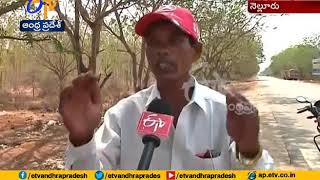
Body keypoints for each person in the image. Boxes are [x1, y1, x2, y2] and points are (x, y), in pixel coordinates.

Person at [59, 5, 274, 170]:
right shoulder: (122, 115)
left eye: (174, 41)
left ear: (196, 51)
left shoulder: (224, 114)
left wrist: (249, 151)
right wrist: (82, 140)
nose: (163, 50)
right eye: (154, 42)